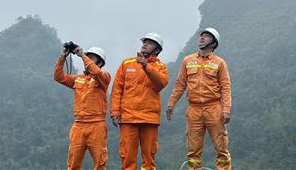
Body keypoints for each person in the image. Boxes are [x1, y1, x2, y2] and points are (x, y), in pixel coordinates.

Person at [166, 27, 232, 170]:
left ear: (213, 43)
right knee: (193, 151)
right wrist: (171, 104)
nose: (202, 38)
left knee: (221, 149)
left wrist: (226, 110)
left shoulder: (219, 63)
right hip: (194, 109)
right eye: (201, 36)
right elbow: (180, 85)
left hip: (214, 109)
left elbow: (226, 88)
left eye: (206, 36)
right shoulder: (187, 60)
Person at [110, 32, 169, 170]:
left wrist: (146, 66)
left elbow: (161, 83)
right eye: (144, 41)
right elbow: (117, 89)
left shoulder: (161, 67)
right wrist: (114, 112)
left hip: (149, 118)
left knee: (149, 158)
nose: (145, 44)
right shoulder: (126, 63)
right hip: (128, 118)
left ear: (157, 49)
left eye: (149, 42)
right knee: (127, 157)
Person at [53, 44, 110, 170]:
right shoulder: (78, 79)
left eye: (92, 58)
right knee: (73, 163)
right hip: (78, 125)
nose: (87, 60)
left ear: (100, 62)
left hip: (97, 126)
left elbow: (96, 72)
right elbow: (58, 77)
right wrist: (63, 57)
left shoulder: (104, 77)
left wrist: (82, 55)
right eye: (87, 57)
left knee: (99, 164)